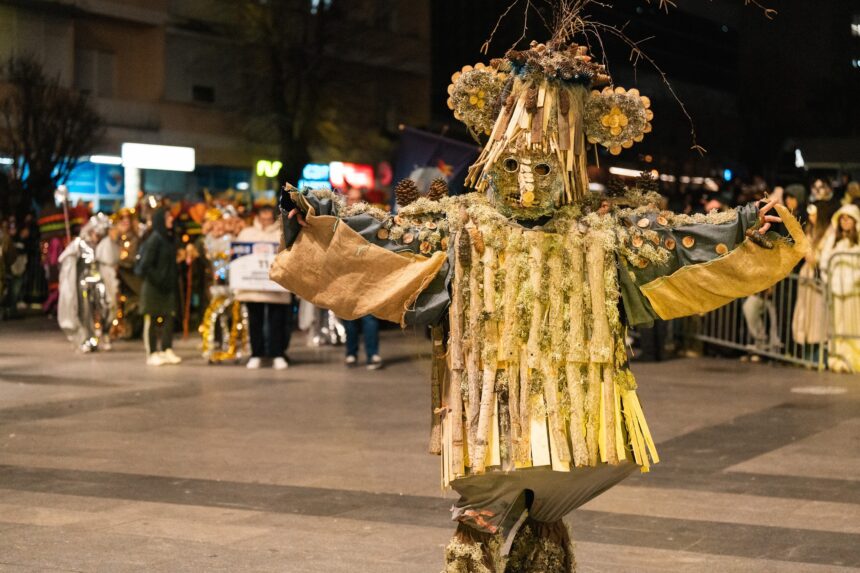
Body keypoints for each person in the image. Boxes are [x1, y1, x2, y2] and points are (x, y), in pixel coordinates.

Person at [272, 37, 805, 570]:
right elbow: (385, 237)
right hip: (489, 406)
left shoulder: (603, 232)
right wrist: (318, 215)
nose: (526, 185)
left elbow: (679, 242)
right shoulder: (461, 225)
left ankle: (538, 536)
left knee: (555, 494)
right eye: (513, 169)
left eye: (544, 170)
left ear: (567, 167)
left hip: (576, 412)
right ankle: (493, 536)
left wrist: (746, 227)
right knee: (488, 504)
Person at [234, 205, 293, 370]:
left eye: (269, 217)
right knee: (255, 321)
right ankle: (256, 354)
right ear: (258, 217)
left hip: (276, 287)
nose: (266, 220)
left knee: (277, 321)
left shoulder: (281, 233)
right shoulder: (247, 233)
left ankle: (278, 354)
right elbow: (238, 255)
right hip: (252, 288)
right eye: (263, 216)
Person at [136, 208, 181, 366]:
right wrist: (159, 278)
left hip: (167, 286)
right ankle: (152, 352)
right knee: (152, 319)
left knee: (169, 317)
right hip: (154, 287)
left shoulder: (168, 238)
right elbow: (144, 266)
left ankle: (166, 349)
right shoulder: (154, 239)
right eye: (168, 217)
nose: (171, 220)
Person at [820, 204, 860, 373]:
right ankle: (837, 360)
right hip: (836, 291)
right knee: (837, 326)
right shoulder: (832, 240)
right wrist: (829, 281)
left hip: (854, 292)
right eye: (842, 218)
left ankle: (854, 360)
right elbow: (824, 263)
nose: (844, 221)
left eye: (848, 218)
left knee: (853, 325)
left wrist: (854, 280)